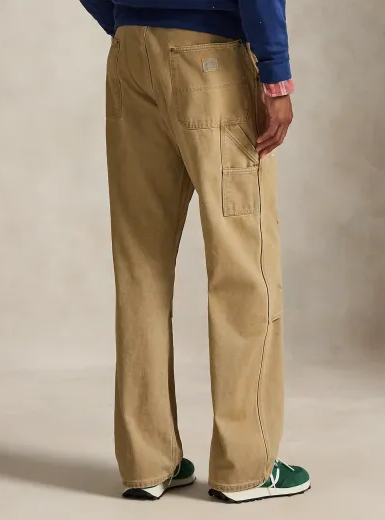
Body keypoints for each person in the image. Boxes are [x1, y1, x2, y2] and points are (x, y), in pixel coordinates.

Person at [79, 0, 310, 504]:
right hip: (209, 59)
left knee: (140, 263)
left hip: (131, 54)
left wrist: (128, 20)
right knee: (244, 263)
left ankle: (147, 463)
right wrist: (276, 74)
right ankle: (247, 466)